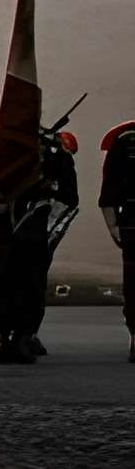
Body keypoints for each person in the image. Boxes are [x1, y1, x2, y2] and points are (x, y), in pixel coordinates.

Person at [0, 119, 78, 364]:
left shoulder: (53, 150)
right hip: (0, 226)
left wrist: (48, 222)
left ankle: (24, 334)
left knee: (31, 281)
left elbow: (68, 195)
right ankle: (3, 335)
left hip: (34, 225)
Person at [100, 119, 135, 362]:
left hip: (131, 220)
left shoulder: (124, 141)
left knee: (134, 281)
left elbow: (109, 192)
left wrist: (114, 226)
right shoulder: (125, 141)